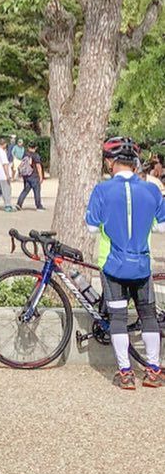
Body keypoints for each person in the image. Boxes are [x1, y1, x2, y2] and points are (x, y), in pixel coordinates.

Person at [85, 136, 165, 390]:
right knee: (148, 316)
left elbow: (91, 228)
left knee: (118, 317)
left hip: (113, 265)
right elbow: (161, 227)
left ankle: (126, 374)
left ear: (111, 162)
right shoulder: (152, 190)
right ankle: (153, 371)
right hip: (141, 264)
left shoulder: (102, 190)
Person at [15, 143, 45, 210]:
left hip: (26, 176)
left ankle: (19, 204)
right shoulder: (35, 155)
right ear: (35, 147)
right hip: (34, 175)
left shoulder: (25, 154)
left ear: (28, 147)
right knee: (36, 191)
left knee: (25, 190)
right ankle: (39, 206)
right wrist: (41, 177)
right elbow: (38, 166)